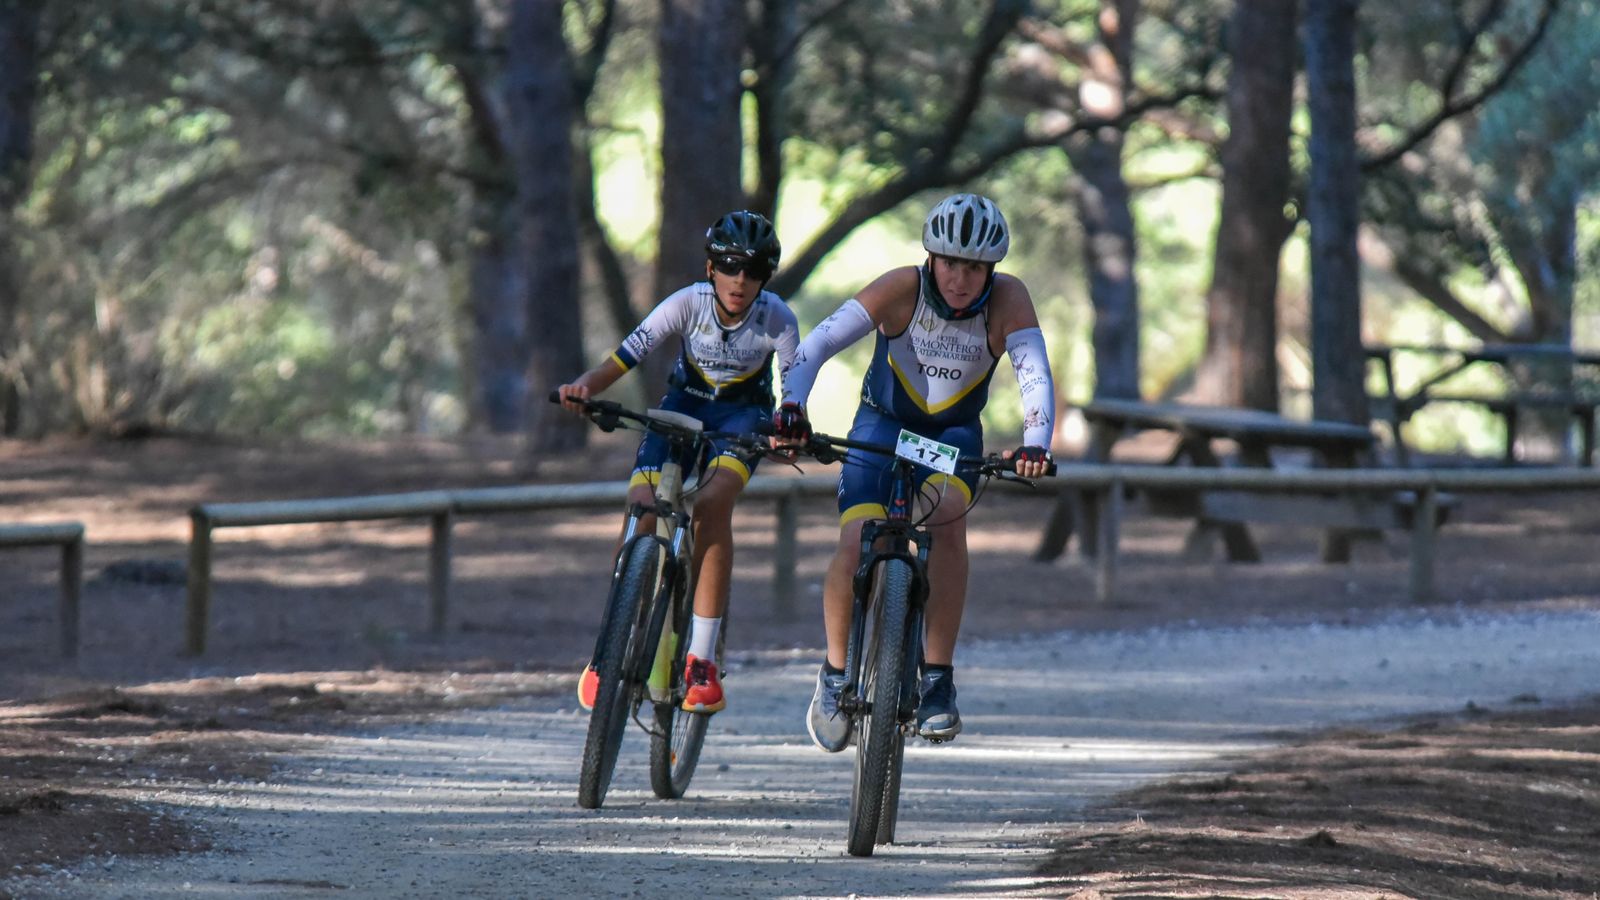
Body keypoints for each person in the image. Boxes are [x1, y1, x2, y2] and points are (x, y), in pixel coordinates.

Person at [773, 193, 1056, 751]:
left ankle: (937, 681)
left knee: (948, 520)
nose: (960, 279)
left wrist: (1035, 444)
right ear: (931, 258)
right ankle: (834, 675)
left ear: (992, 268)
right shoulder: (901, 287)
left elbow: (1034, 375)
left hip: (951, 438)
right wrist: (791, 408)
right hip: (882, 426)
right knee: (856, 538)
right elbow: (820, 342)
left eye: (973, 267)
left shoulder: (1009, 299)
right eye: (950, 263)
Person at [557, 210, 798, 715]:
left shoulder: (778, 318)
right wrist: (583, 388)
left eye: (753, 270)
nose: (740, 280)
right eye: (729, 266)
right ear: (711, 268)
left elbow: (793, 389)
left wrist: (790, 427)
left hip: (742, 417)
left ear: (766, 278)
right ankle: (610, 644)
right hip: (683, 406)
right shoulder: (686, 303)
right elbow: (625, 357)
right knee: (641, 505)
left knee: (712, 505)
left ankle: (701, 662)